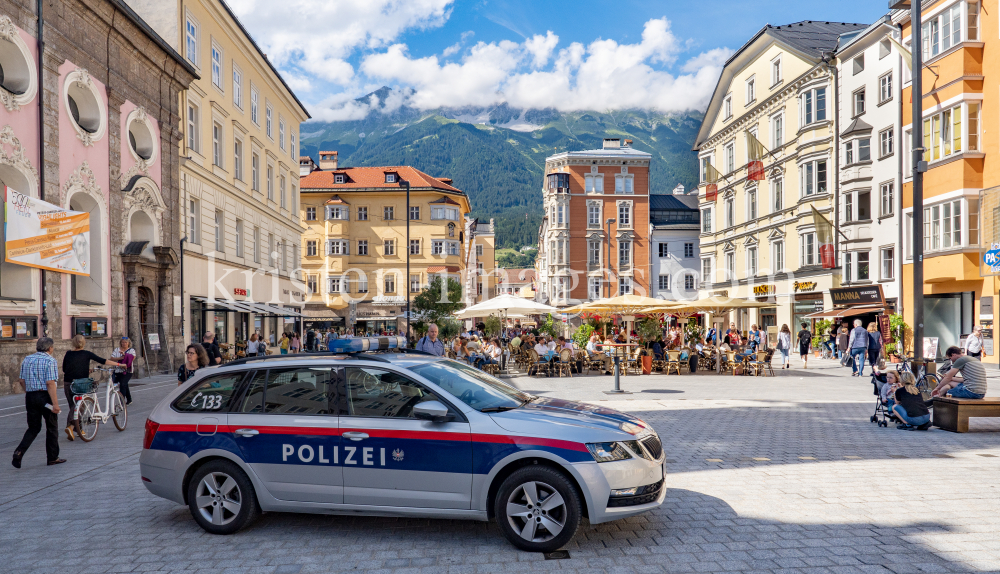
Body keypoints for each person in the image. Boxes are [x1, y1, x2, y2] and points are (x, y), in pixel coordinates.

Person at [12, 338, 64, 468]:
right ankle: (52, 457)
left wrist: (29, 392)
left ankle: (19, 452)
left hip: (31, 396)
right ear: (50, 348)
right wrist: (55, 404)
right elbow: (50, 383)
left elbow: (21, 380)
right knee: (51, 427)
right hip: (45, 396)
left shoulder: (27, 359)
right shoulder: (50, 360)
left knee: (33, 427)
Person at [62, 335, 122, 441]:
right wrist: (119, 364)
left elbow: (64, 369)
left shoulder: (68, 353)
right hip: (81, 383)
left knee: (73, 405)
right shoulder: (87, 353)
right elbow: (103, 360)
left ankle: (77, 429)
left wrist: (84, 369)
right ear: (84, 343)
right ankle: (71, 427)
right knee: (81, 405)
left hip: (68, 383)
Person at [110, 336, 137, 405]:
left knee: (122, 384)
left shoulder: (131, 350)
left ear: (128, 343)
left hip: (127, 371)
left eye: (125, 342)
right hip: (118, 370)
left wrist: (125, 355)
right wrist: (120, 357)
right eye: (122, 342)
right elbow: (112, 358)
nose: (124, 344)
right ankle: (129, 399)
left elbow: (132, 358)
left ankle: (121, 403)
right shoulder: (117, 350)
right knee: (124, 384)